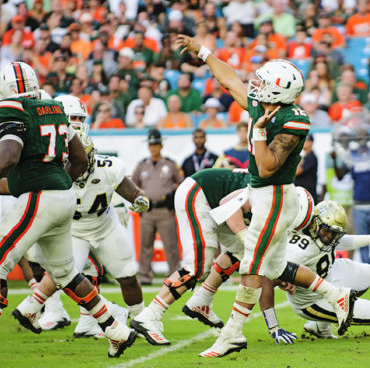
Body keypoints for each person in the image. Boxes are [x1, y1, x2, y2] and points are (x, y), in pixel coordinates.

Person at [175, 34, 357, 357]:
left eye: (262, 81)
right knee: (273, 267)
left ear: (278, 90)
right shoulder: (266, 102)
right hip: (260, 193)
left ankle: (231, 334)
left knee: (251, 267)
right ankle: (336, 295)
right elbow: (231, 81)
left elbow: (269, 166)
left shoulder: (293, 120)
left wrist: (258, 131)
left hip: (274, 195)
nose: (254, 85)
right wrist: (202, 53)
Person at [0, 61, 136, 357]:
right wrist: (60, 182)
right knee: (65, 273)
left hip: (39, 197)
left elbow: (9, 157)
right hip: (63, 197)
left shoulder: (12, 111)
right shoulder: (54, 109)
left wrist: (46, 184)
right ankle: (116, 328)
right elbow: (81, 160)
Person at [195, 200, 370, 341]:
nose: (329, 237)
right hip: (312, 300)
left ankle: (319, 327)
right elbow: (266, 282)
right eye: (326, 231)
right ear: (316, 223)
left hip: (329, 275)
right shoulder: (296, 250)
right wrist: (273, 326)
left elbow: (340, 241)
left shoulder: (318, 230)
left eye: (332, 233)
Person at [18, 127, 150, 338]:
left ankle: (142, 319)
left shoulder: (107, 167)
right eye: (69, 159)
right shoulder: (56, 174)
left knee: (126, 274)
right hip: (73, 230)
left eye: (78, 159)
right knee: (63, 272)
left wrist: (139, 200)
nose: (73, 164)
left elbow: (133, 192)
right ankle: (33, 306)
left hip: (105, 226)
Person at [130, 168, 251, 345]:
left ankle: (202, 300)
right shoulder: (264, 192)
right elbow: (231, 206)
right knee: (198, 265)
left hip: (215, 201)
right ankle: (150, 316)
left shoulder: (272, 191)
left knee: (243, 249)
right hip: (200, 194)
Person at [332, 130, 370, 281]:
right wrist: (335, 160)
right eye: (359, 135)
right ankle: (368, 270)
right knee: (363, 240)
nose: (362, 138)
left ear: (368, 137)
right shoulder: (352, 156)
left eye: (364, 135)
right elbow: (340, 176)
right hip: (358, 204)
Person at [132, 129, 183, 285]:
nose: (154, 148)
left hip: (165, 210)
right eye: (151, 145)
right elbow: (133, 185)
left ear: (161, 145)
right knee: (145, 244)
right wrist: (138, 202)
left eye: (156, 144)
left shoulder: (170, 164)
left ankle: (174, 275)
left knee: (170, 244)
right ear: (149, 147)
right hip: (148, 211)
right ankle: (145, 276)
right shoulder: (141, 166)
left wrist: (172, 196)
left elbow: (181, 182)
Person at [295, 134, 318, 202]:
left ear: (311, 143)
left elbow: (296, 172)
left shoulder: (311, 157)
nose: (303, 143)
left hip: (308, 195)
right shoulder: (305, 157)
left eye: (306, 141)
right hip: (302, 194)